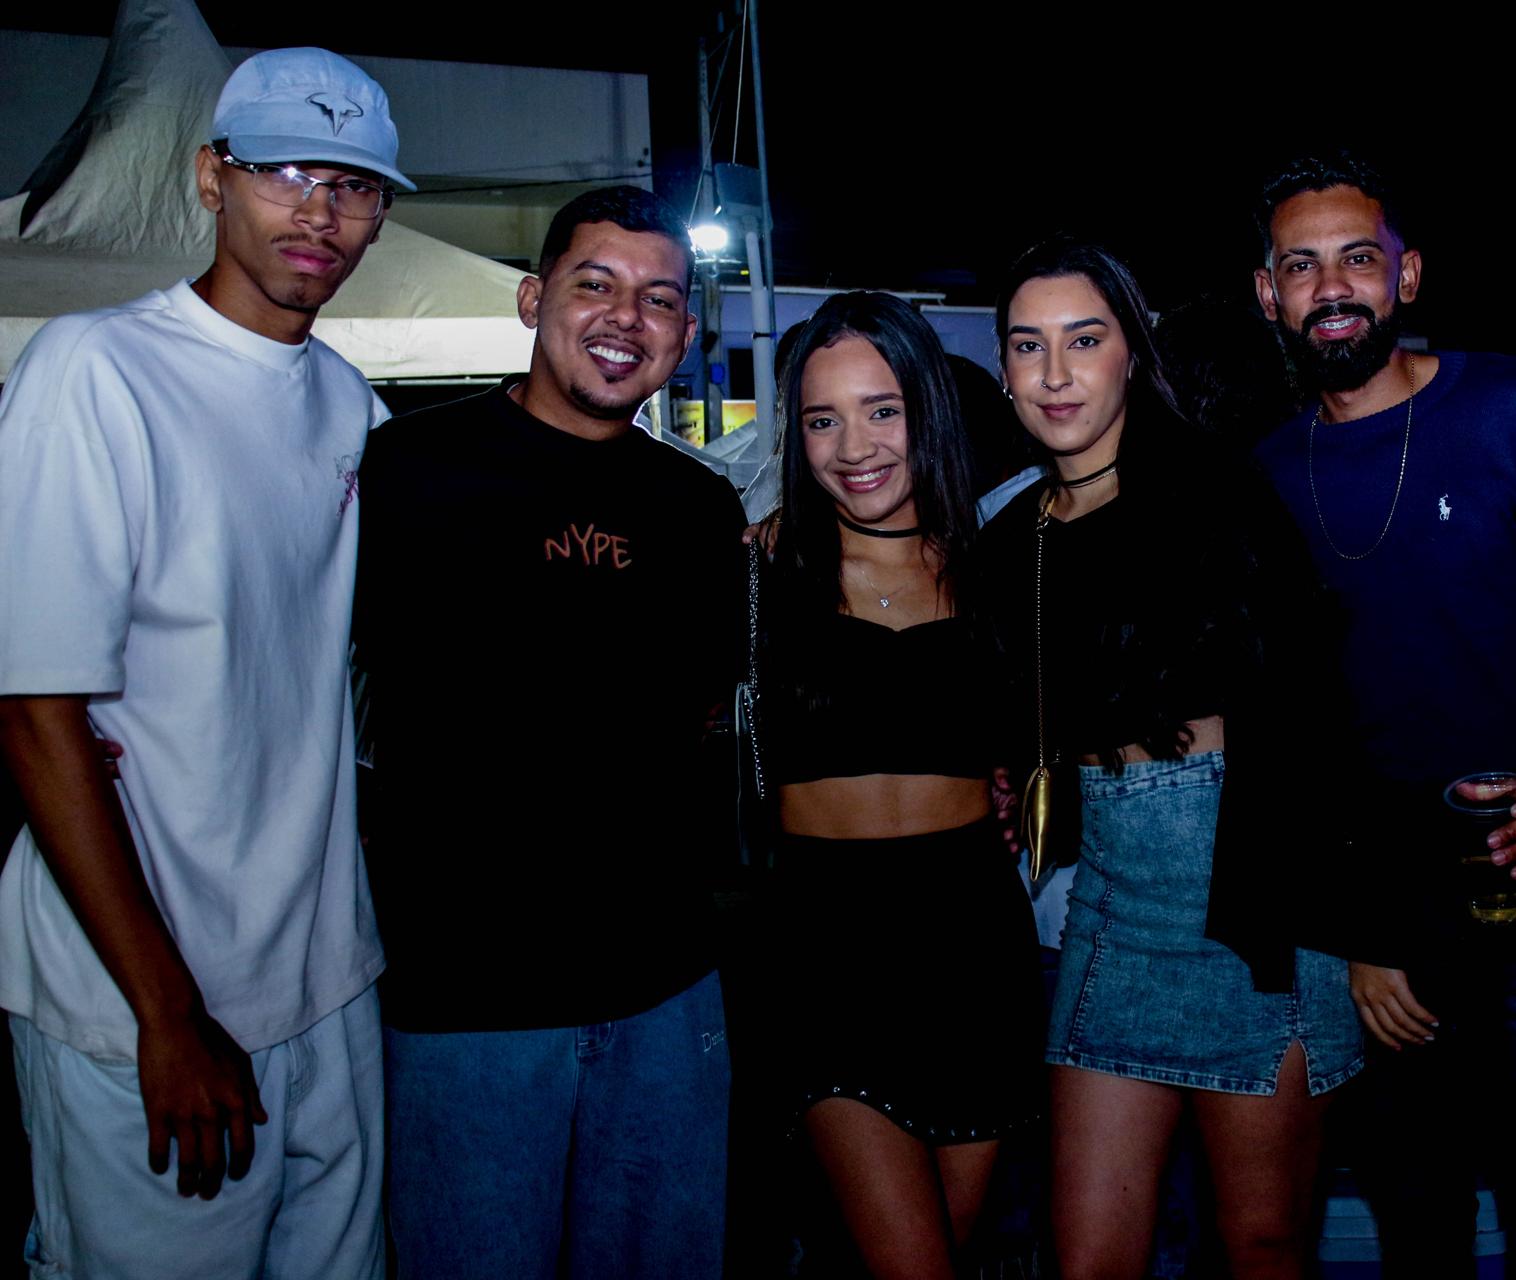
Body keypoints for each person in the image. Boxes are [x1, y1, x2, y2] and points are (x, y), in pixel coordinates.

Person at [0, 48, 408, 1278]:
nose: (320, 212)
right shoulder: (93, 370)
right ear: (210, 176)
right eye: (286, 172)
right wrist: (166, 1012)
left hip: (328, 978)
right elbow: (33, 711)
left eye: (354, 185)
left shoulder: (352, 406)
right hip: (144, 997)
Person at [1248, 153, 1516, 1277]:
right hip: (1390, 950)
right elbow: (1295, 738)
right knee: (1420, 1235)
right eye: (1301, 266)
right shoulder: (1266, 474)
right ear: (1267, 294)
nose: (1332, 287)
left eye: (1357, 259)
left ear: (1406, 275)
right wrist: (1363, 937)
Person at [352, 186, 741, 1278]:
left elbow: (707, 713)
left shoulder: (700, 508)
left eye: (657, 299)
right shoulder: (409, 469)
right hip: (467, 1002)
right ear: (534, 300)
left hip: (665, 994)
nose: (626, 317)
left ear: (685, 334)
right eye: (594, 284)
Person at [978, 236, 1363, 1280]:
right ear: (1004, 368)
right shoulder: (1011, 542)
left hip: (1253, 895)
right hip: (1110, 906)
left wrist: (1365, 931)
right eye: (1028, 345)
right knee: (1086, 1256)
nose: (1055, 373)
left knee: (1262, 1244)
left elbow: (1321, 723)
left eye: (1083, 340)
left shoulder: (1219, 493)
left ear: (1130, 356)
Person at [753, 291, 1041, 1279]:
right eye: (822, 419)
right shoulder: (759, 572)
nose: (853, 447)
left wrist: (1022, 787)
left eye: (882, 410)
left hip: (973, 947)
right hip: (824, 952)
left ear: (929, 410)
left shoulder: (998, 576)